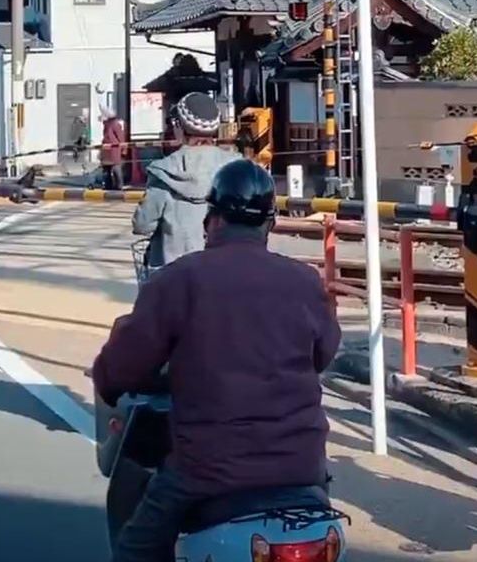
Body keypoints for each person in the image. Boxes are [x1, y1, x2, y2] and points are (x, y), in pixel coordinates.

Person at [92, 158, 341, 562]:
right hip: (303, 468)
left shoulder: (176, 280)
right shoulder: (304, 281)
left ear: (213, 220)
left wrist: (107, 380)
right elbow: (323, 354)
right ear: (269, 225)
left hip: (206, 471)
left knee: (134, 549)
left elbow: (124, 366)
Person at [131, 92, 232, 265]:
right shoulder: (235, 166)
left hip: (174, 273)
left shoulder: (165, 170)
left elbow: (142, 225)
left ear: (179, 126)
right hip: (225, 268)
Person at [100, 105, 126, 190]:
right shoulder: (108, 125)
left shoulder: (114, 124)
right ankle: (109, 185)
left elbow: (121, 137)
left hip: (114, 150)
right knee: (107, 170)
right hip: (108, 150)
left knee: (115, 168)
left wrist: (123, 150)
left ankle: (118, 185)